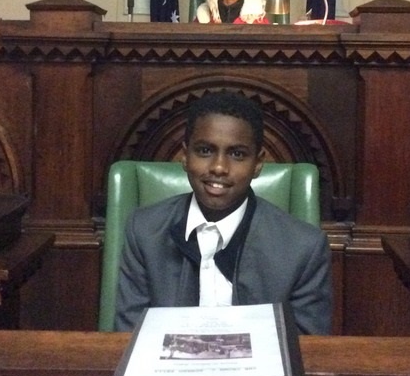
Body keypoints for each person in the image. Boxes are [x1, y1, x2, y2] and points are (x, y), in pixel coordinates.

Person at [114, 91, 332, 334]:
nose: (219, 167)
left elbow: (307, 351)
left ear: (258, 163)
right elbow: (129, 338)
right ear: (185, 156)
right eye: (205, 151)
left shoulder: (304, 247)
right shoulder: (143, 231)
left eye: (237, 154)